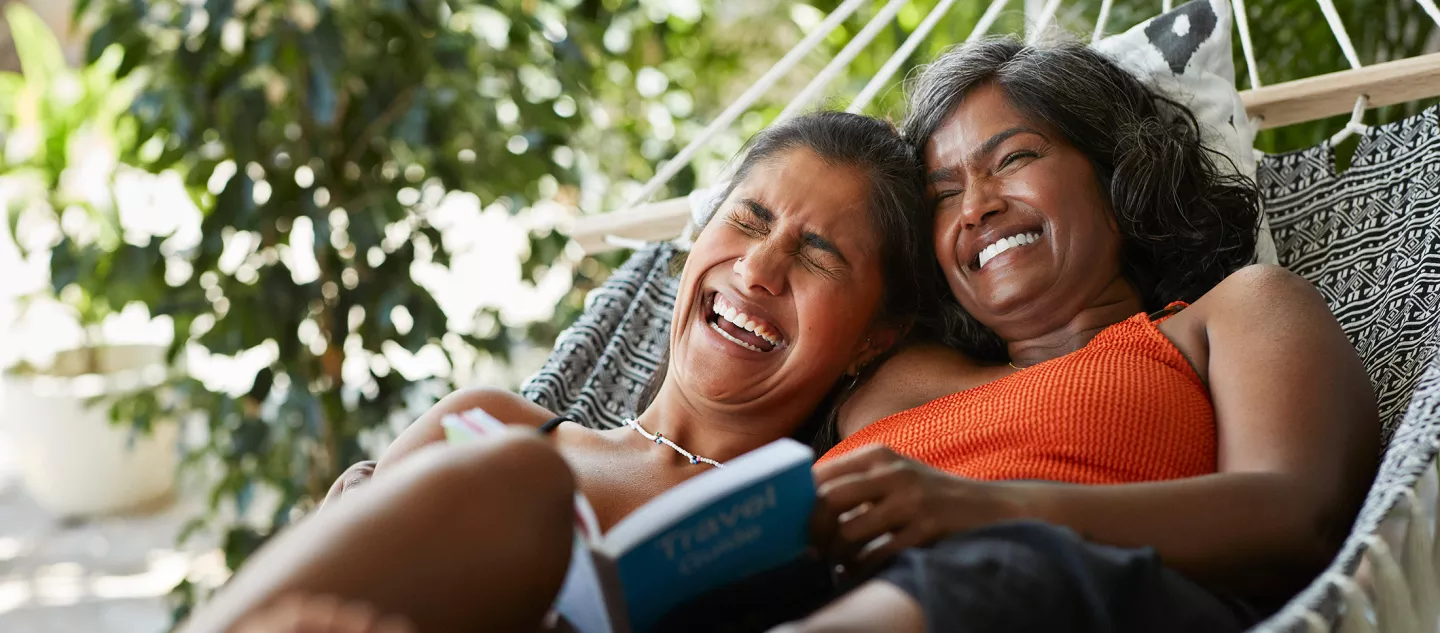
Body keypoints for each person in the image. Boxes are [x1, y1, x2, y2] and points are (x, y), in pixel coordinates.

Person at [176, 110, 938, 633]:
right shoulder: (489, 421)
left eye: (818, 254)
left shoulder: (811, 521)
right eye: (748, 218)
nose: (760, 269)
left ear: (877, 339)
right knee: (519, 473)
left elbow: (1037, 378)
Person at [778, 37, 1379, 633]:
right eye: (944, 195)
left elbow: (1298, 517)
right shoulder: (879, 372)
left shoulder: (1231, 315)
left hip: (1066, 593)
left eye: (1013, 159)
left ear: (1118, 177)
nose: (975, 208)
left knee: (1013, 565)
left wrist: (992, 511)